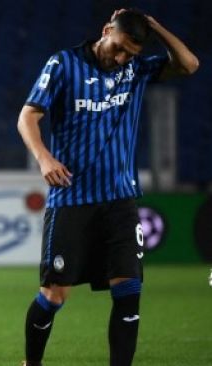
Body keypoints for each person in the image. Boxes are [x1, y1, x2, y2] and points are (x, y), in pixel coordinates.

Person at [17, 9, 198, 366]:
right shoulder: (64, 64)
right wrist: (44, 158)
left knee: (129, 290)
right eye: (118, 48)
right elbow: (27, 116)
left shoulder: (135, 69)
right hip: (72, 197)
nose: (121, 59)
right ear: (105, 31)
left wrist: (154, 25)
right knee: (53, 295)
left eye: (129, 53)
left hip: (120, 200)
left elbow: (189, 64)